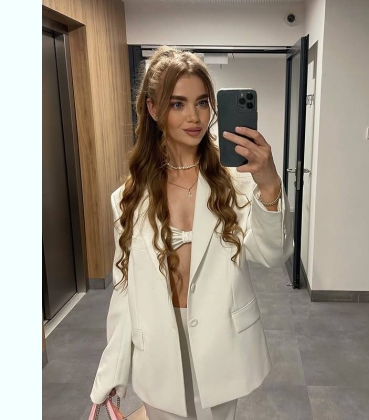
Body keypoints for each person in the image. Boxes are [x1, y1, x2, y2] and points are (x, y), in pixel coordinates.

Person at [90, 46, 293, 420]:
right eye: (178, 104)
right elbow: (125, 290)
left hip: (224, 344)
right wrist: (110, 374)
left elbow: (272, 254)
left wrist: (268, 183)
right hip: (157, 350)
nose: (195, 116)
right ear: (153, 109)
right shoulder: (128, 198)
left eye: (201, 102)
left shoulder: (235, 183)